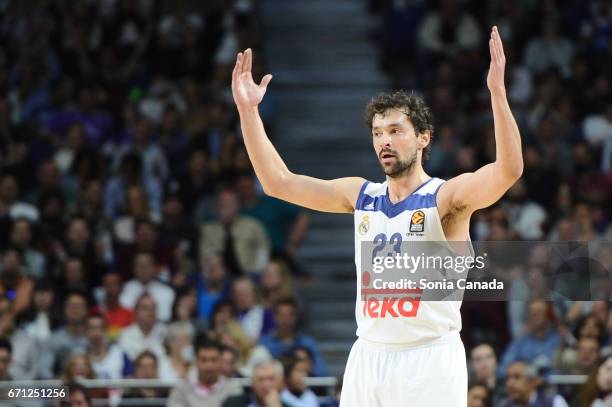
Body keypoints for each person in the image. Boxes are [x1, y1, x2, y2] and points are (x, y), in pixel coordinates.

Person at [232, 24, 523, 405]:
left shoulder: (445, 198)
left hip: (429, 358)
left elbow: (508, 170)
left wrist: (497, 94)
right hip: (368, 355)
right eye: (377, 133)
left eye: (395, 130)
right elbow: (279, 182)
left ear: (423, 137)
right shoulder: (361, 195)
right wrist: (248, 111)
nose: (384, 140)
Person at [259, 299, 328, 377]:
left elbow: (322, 373)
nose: (285, 319)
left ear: (295, 318)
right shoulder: (264, 343)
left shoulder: (308, 343)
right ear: (274, 317)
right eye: (281, 315)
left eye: (289, 315)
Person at [167, 339, 243, 407]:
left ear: (221, 361)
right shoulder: (181, 389)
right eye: (203, 360)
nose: (209, 366)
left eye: (214, 360)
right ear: (196, 361)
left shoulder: (233, 389)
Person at [222, 360, 290, 407]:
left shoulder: (291, 404)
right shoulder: (233, 403)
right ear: (252, 383)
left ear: (281, 382)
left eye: (271, 379)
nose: (266, 384)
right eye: (261, 379)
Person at [500, 361, 568, 407]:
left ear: (533, 381)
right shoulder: (504, 405)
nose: (509, 383)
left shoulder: (554, 402)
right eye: (508, 378)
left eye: (517, 377)